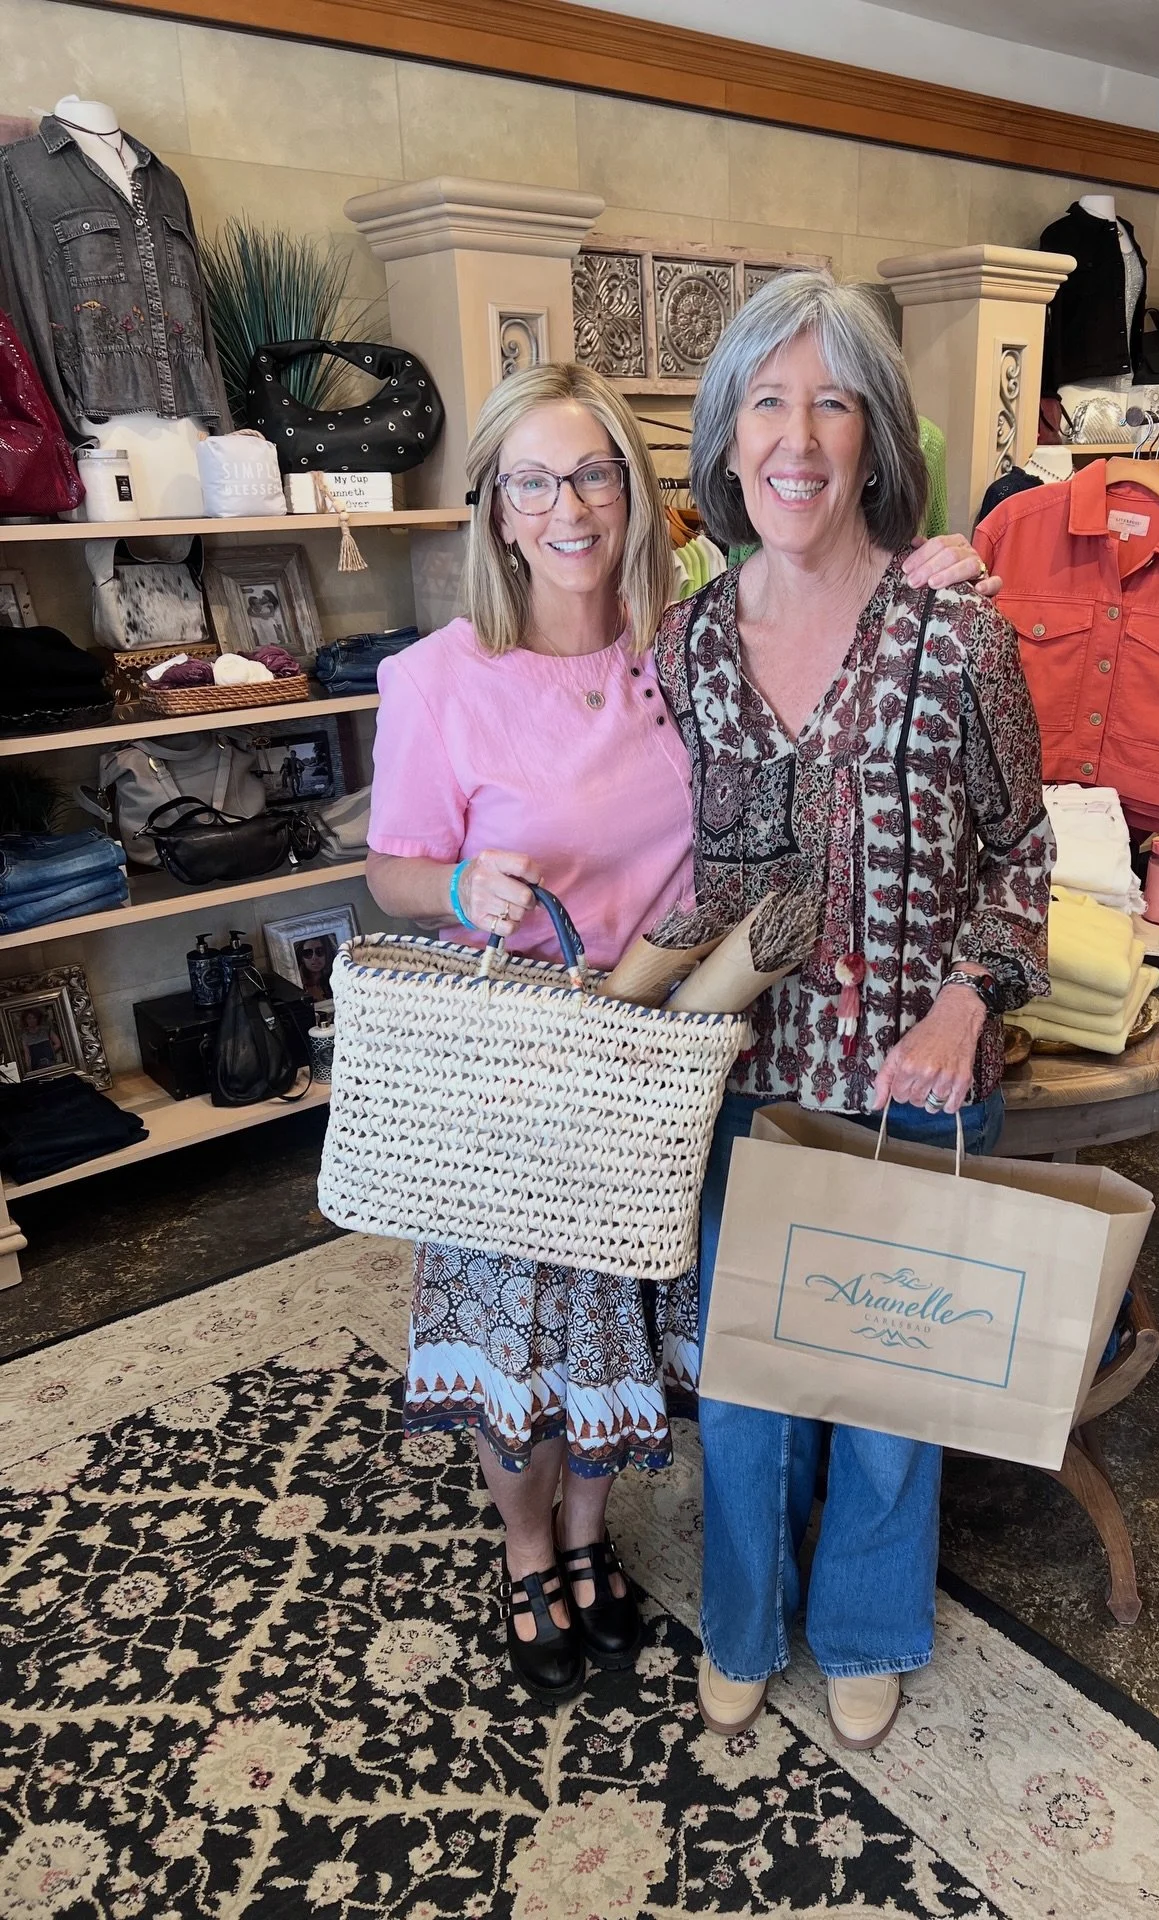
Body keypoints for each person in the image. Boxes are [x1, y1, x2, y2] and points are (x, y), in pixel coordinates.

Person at [365, 360, 999, 1708]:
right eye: (533, 483)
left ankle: (591, 1536)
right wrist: (460, 887)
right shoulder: (437, 678)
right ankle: (527, 1548)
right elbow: (391, 870)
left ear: (638, 493)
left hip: (667, 1062)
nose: (568, 508)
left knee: (618, 1331)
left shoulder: (688, 646)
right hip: (522, 1065)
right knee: (515, 1338)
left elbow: (816, 627)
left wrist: (924, 570)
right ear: (494, 509)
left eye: (594, 474)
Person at [654, 270, 1053, 1751]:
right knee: (747, 1389)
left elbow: (1025, 852)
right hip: (747, 1088)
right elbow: (681, 866)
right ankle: (745, 1621)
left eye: (833, 403)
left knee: (889, 1388)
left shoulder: (956, 632)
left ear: (876, 436)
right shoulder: (689, 647)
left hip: (908, 1088)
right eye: (769, 402)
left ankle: (870, 1624)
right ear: (727, 434)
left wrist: (968, 998)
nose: (799, 437)